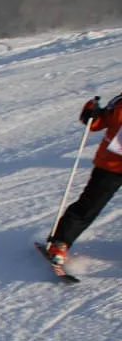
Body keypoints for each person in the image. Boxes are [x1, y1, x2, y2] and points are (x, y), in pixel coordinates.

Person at [46, 93, 122, 264]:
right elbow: (97, 123)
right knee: (90, 205)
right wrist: (91, 112)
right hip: (110, 165)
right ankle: (60, 242)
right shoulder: (119, 103)